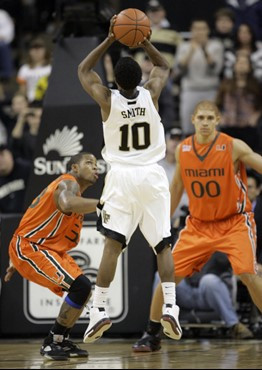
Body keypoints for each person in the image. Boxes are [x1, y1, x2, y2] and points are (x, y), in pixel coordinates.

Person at [78, 16, 182, 344]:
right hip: (152, 174)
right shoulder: (151, 93)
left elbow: (83, 71)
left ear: (116, 79)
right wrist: (145, 42)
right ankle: (171, 306)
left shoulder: (108, 100)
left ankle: (98, 310)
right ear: (140, 77)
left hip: (121, 177)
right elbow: (163, 67)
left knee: (111, 246)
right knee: (163, 245)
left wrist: (110, 39)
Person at [132, 100, 262, 351]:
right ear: (192, 120)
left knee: (248, 274)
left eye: (209, 118)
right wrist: (161, 224)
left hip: (233, 222)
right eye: (200, 118)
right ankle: (152, 333)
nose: (205, 122)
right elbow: (177, 187)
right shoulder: (183, 150)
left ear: (217, 121)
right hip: (199, 225)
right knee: (166, 277)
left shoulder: (233, 146)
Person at [4, 152, 99, 360]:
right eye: (89, 163)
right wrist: (102, 204)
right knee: (80, 286)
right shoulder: (68, 182)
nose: (95, 167)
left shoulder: (78, 198)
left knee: (83, 289)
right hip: (31, 246)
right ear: (74, 167)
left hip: (44, 248)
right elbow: (66, 203)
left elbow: (35, 219)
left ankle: (60, 340)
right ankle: (52, 342)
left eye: (97, 164)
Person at [176, 19, 223, 135]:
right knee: (188, 126)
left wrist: (204, 49)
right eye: (196, 29)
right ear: (191, 31)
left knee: (212, 126)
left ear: (207, 31)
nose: (199, 32)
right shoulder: (184, 46)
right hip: (190, 90)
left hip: (210, 90)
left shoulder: (216, 46)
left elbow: (215, 69)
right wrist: (191, 50)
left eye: (202, 29)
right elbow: (180, 69)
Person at [0, 144, 31, 213]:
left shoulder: (28, 170)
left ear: (10, 154)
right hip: (6, 222)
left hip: (30, 218)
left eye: (2, 154)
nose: (0, 159)